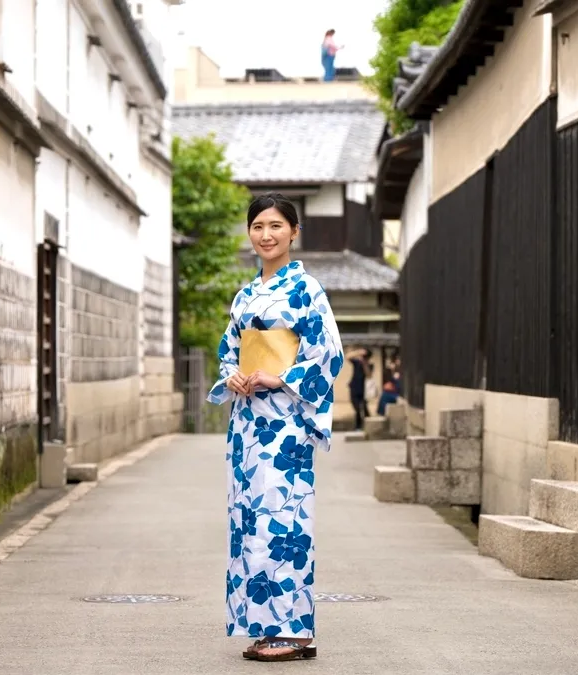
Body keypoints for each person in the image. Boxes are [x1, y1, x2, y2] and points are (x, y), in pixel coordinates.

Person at [207, 193, 344, 662]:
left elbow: (327, 354)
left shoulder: (307, 291)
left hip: (285, 423)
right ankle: (267, 626)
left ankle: (294, 631)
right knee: (250, 521)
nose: (266, 235)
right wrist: (234, 374)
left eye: (276, 226)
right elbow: (229, 350)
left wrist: (279, 377)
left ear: (294, 233)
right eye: (258, 226)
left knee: (284, 519)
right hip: (247, 423)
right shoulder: (244, 297)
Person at [345, 347, 371, 429]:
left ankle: (365, 425)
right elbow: (347, 357)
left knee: (364, 408)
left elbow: (368, 375)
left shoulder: (369, 365)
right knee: (357, 408)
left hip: (363, 390)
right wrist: (358, 352)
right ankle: (358, 426)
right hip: (354, 388)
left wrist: (365, 364)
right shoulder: (357, 363)